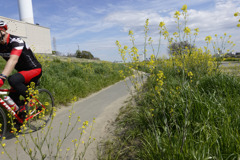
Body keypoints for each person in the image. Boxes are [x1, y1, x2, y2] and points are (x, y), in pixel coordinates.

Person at [0, 20, 42, 119]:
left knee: (12, 79)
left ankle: (32, 101)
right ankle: (19, 120)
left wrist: (2, 78)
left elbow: (13, 60)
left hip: (34, 70)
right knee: (12, 100)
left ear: (3, 31)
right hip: (22, 73)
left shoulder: (15, 41)